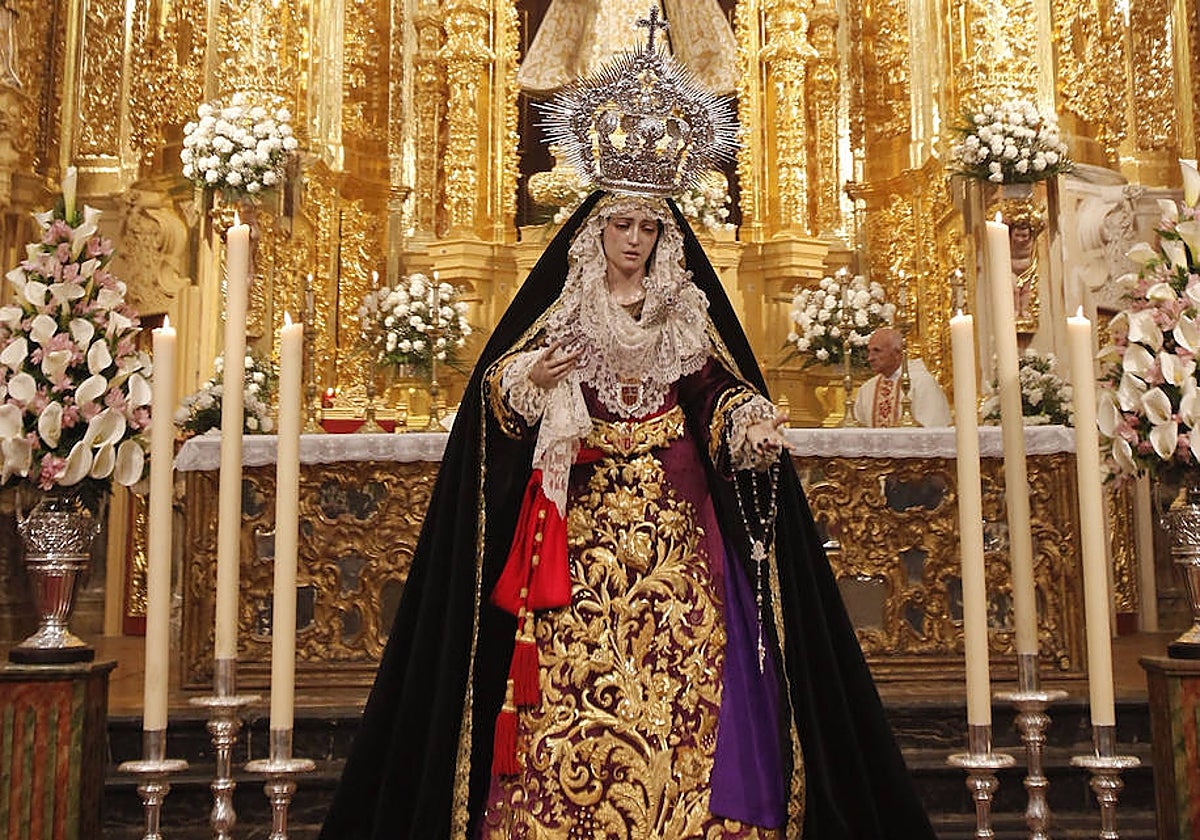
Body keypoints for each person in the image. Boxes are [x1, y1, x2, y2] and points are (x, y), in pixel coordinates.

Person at [320, 24, 936, 840]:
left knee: (690, 658)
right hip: (581, 525)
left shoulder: (683, 310)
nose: (634, 241)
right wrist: (531, 382)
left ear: (664, 236)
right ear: (597, 231)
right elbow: (500, 389)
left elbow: (714, 388)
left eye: (648, 228)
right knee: (571, 668)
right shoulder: (567, 306)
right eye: (622, 226)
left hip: (675, 523)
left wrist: (746, 420)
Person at [854, 327, 951, 428]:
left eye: (877, 351)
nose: (870, 358)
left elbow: (933, 429)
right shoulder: (867, 389)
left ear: (897, 353)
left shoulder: (922, 383)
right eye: (869, 351)